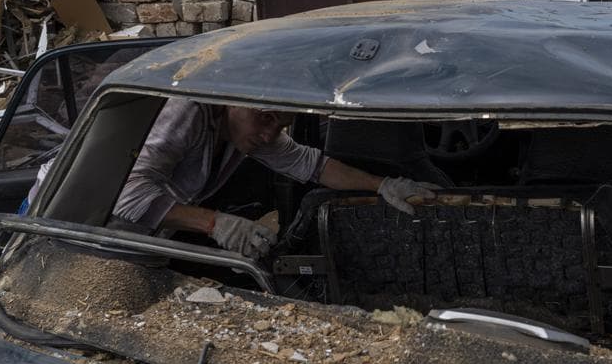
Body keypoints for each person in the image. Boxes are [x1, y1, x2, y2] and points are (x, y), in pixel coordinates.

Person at [111, 99, 440, 262]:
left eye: (281, 126)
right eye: (265, 119)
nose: (270, 134)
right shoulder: (188, 112)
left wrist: (382, 185)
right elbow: (126, 195)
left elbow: (309, 163)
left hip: (151, 241)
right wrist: (216, 224)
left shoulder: (249, 130)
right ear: (231, 98)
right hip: (99, 237)